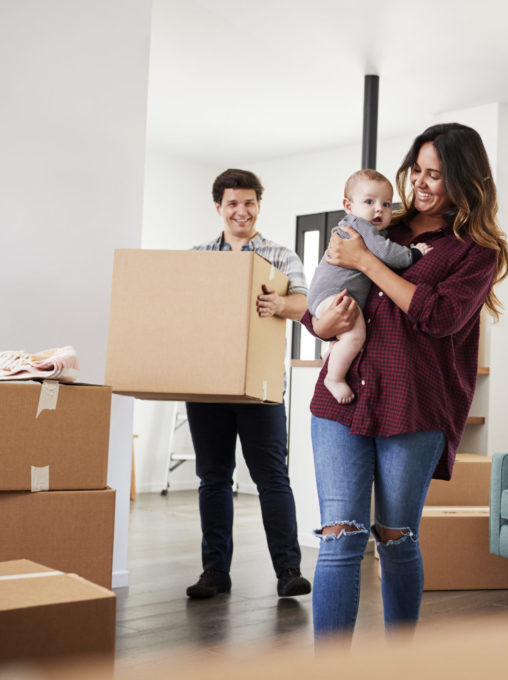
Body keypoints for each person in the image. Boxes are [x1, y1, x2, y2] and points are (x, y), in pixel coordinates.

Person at [300, 123, 508, 638]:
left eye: (435, 174)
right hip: (343, 402)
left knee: (396, 537)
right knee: (340, 537)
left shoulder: (476, 251)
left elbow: (439, 317)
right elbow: (328, 297)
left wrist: (367, 262)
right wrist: (316, 323)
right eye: (417, 169)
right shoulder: (378, 222)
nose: (420, 182)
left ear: (465, 180)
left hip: (414, 408)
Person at [184, 168, 312, 600]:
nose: (242, 210)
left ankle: (288, 570)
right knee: (213, 477)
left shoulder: (280, 254)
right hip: (207, 386)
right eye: (233, 203)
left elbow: (304, 304)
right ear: (218, 207)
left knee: (272, 477)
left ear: (259, 204)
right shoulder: (197, 256)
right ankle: (214, 572)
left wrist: (281, 302)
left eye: (249, 202)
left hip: (261, 388)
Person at [306, 169, 431, 404]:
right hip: (333, 295)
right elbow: (386, 252)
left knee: (346, 333)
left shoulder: (358, 226)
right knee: (355, 335)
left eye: (386, 204)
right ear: (348, 205)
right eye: (369, 202)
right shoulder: (360, 227)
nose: (379, 209)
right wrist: (414, 254)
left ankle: (333, 351)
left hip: (325, 296)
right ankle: (333, 377)